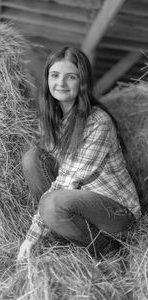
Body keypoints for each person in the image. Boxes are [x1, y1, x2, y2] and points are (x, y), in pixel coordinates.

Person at [17, 46, 141, 259]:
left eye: (71, 77)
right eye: (55, 75)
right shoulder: (55, 120)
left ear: (82, 82)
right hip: (80, 203)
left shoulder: (97, 122)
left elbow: (67, 180)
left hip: (116, 213)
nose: (61, 83)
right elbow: (53, 171)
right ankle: (66, 228)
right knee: (32, 158)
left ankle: (109, 251)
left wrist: (32, 235)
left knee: (52, 205)